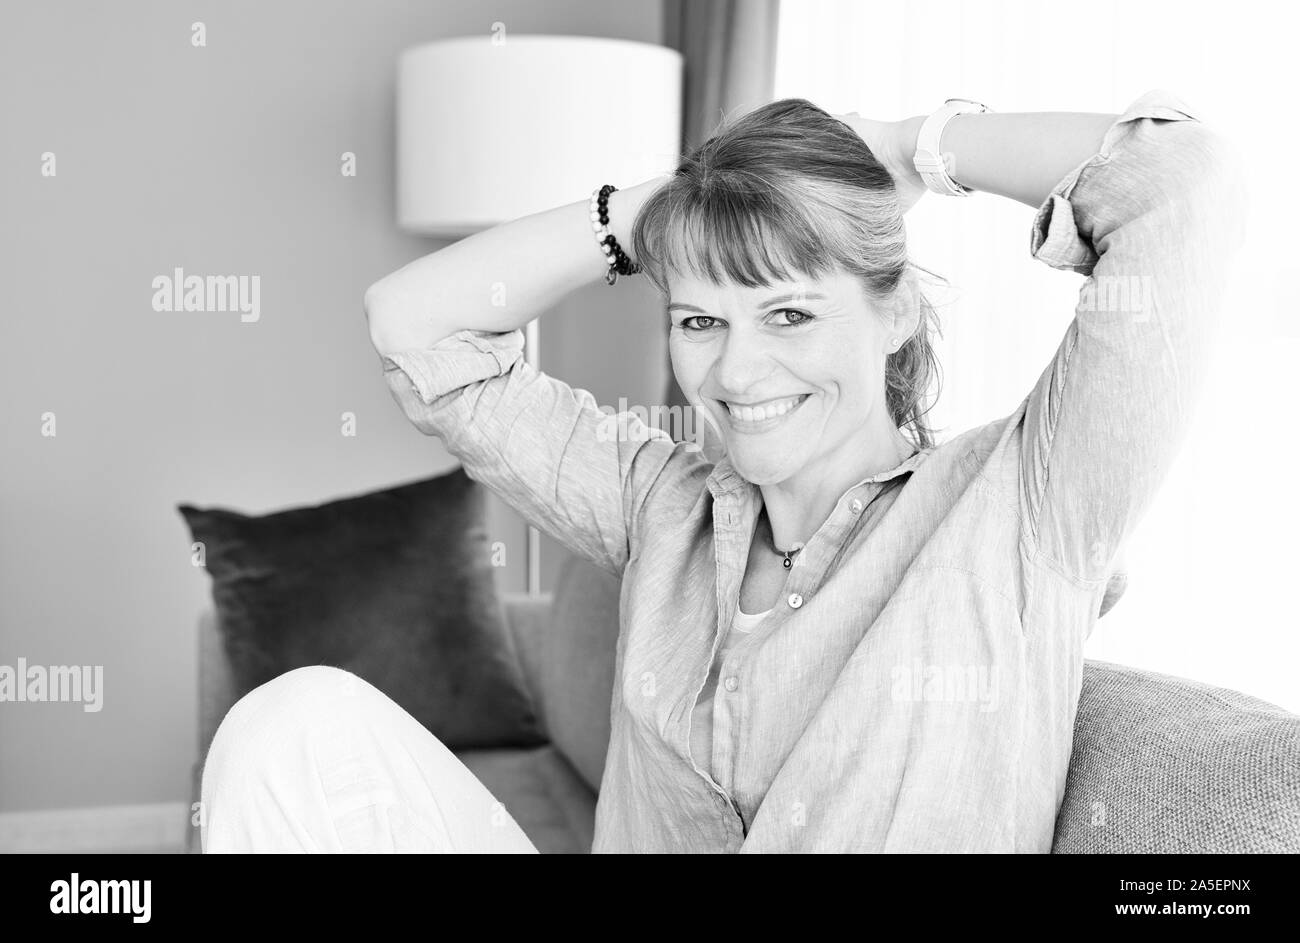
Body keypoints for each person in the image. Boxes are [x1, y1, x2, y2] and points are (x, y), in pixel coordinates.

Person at [201, 88, 1247, 853]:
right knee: (294, 726)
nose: (738, 370)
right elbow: (415, 325)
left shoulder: (1022, 503)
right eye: (701, 319)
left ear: (894, 314)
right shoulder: (662, 502)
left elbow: (1181, 187)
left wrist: (905, 146)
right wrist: (687, 195)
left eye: (789, 312)